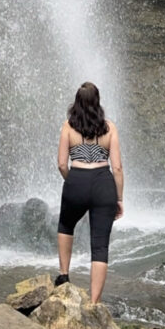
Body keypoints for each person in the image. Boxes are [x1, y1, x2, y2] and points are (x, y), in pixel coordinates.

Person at [55, 81, 123, 303]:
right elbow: (118, 168)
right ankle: (94, 302)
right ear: (97, 102)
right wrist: (119, 198)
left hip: (77, 180)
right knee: (100, 244)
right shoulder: (110, 128)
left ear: (77, 102)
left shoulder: (68, 126)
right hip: (104, 183)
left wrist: (73, 182)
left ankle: (64, 276)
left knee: (66, 224)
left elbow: (62, 164)